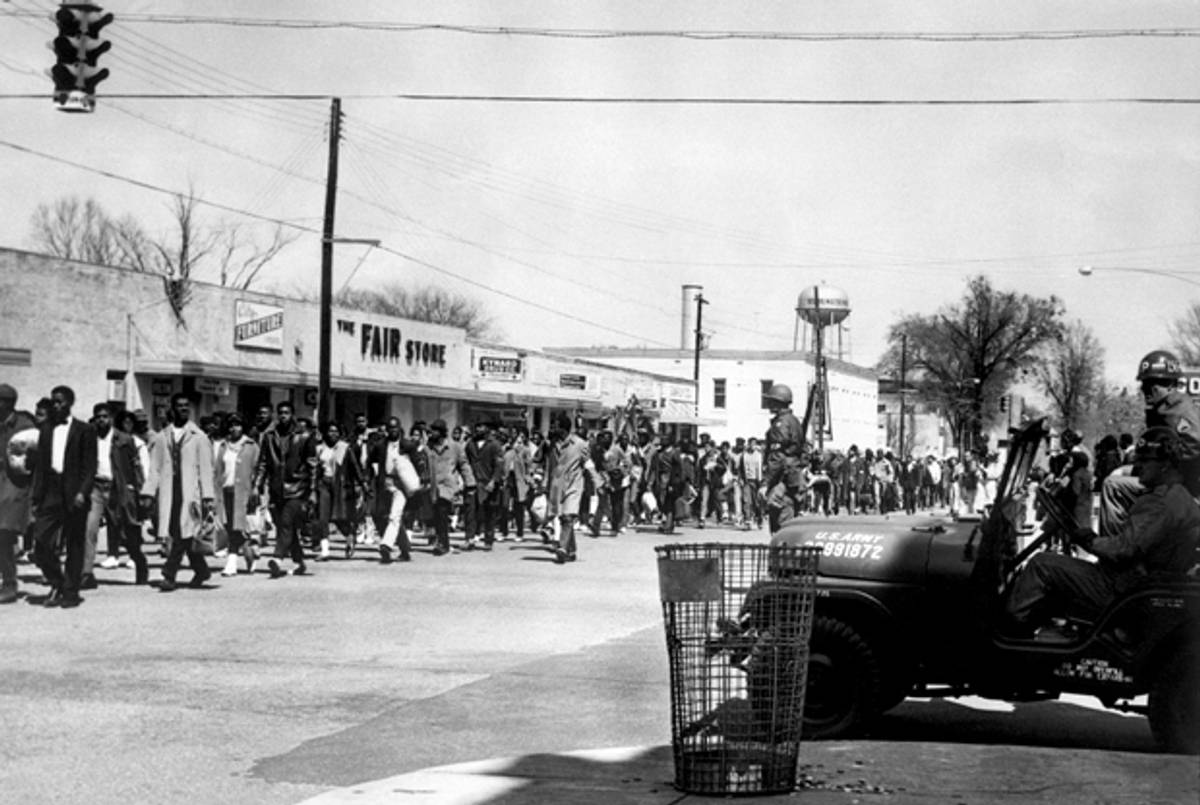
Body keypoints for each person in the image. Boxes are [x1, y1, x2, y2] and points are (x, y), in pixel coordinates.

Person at [1007, 427, 1200, 635]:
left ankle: (1011, 633)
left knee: (1041, 564)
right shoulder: (1177, 497)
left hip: (1123, 588)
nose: (1137, 465)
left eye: (1145, 461)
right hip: (1139, 583)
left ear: (1165, 465)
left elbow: (1123, 549)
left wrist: (1090, 541)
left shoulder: (1160, 504)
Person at [1100, 350, 1200, 536]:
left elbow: (1196, 444)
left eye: (1153, 384)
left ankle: (1114, 557)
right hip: (1173, 486)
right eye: (1144, 384)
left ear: (1170, 385)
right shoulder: (1163, 409)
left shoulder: (1177, 409)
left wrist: (1165, 465)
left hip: (1184, 490)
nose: (1146, 390)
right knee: (1120, 476)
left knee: (1112, 487)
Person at [29, 385, 97, 608]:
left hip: (74, 492)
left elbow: (90, 467)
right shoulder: (47, 429)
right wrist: (36, 496)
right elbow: (40, 465)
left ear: (70, 402)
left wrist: (82, 493)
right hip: (51, 490)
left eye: (60, 402)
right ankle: (56, 580)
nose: (56, 405)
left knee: (75, 544)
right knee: (40, 542)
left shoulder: (84, 430)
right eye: (54, 401)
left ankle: (70, 591)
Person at [140, 393, 215, 592]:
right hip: (169, 493)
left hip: (190, 493)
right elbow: (154, 468)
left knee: (183, 534)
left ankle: (169, 573)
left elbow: (206, 469)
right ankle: (201, 570)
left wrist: (208, 497)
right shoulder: (162, 436)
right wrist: (148, 492)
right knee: (179, 532)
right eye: (179, 405)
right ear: (172, 409)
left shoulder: (198, 436)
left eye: (186, 405)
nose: (183, 409)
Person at [84, 402, 148, 586]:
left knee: (127, 532)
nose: (101, 420)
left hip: (118, 488)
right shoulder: (89, 437)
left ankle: (139, 561)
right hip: (96, 487)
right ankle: (86, 573)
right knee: (89, 529)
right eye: (98, 417)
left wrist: (137, 490)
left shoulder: (125, 440)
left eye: (105, 417)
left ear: (111, 419)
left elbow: (135, 467)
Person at [253, 400, 318, 578]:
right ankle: (299, 561)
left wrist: (312, 491)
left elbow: (312, 465)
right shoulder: (269, 436)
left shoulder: (304, 436)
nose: (283, 416)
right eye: (280, 412)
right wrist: (257, 485)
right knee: (282, 525)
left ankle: (277, 558)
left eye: (286, 413)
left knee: (287, 522)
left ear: (292, 414)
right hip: (276, 488)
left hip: (297, 487)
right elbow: (263, 463)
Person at [548, 412, 602, 564]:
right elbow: (549, 464)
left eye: (555, 426)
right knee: (561, 516)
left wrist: (597, 481)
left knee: (568, 516)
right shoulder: (554, 444)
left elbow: (588, 463)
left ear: (563, 428)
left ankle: (563, 548)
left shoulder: (580, 444)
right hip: (557, 485)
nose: (553, 428)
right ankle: (572, 550)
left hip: (574, 484)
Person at [0, 384, 36, 604]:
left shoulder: (25, 426)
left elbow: (35, 459)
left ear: (7, 403)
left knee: (4, 535)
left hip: (15, 487)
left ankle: (10, 584)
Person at [213, 413, 260, 576]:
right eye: (231, 425)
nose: (234, 428)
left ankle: (231, 562)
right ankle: (250, 552)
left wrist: (257, 488)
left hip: (244, 493)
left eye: (238, 425)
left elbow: (258, 469)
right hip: (225, 491)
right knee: (230, 527)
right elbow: (217, 470)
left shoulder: (251, 446)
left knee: (237, 528)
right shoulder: (223, 446)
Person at [762, 384, 807, 533]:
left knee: (780, 528)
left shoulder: (781, 424)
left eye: (771, 400)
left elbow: (777, 456)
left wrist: (766, 483)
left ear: (778, 402)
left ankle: (782, 555)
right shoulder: (794, 421)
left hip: (781, 479)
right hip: (793, 478)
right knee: (788, 521)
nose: (768, 403)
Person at [426, 419, 474, 555]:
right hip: (432, 486)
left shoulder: (455, 447)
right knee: (436, 516)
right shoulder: (427, 447)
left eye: (435, 430)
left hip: (448, 487)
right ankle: (440, 540)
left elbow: (464, 465)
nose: (432, 433)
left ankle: (443, 544)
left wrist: (470, 483)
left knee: (441, 513)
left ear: (442, 433)